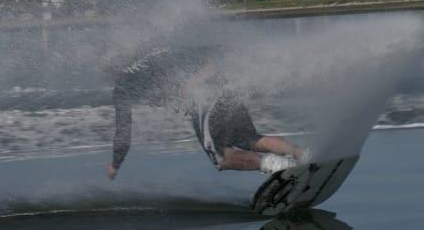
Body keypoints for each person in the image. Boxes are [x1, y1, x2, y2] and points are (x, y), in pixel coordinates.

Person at [106, 47, 307, 180]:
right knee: (250, 139)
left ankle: (278, 166)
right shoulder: (154, 52)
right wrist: (199, 76)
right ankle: (303, 155)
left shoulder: (122, 86)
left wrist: (115, 164)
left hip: (204, 99)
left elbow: (123, 132)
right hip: (226, 89)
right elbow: (211, 57)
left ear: (113, 70)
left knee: (222, 158)